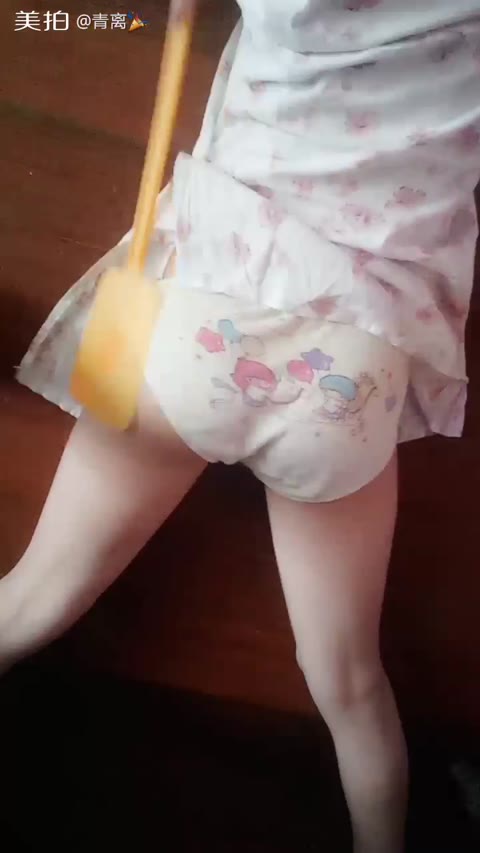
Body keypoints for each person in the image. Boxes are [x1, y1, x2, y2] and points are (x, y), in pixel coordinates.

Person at [2, 2, 480, 851]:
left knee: (36, 596)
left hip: (208, 311)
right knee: (349, 686)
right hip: (354, 366)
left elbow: (95, 18)